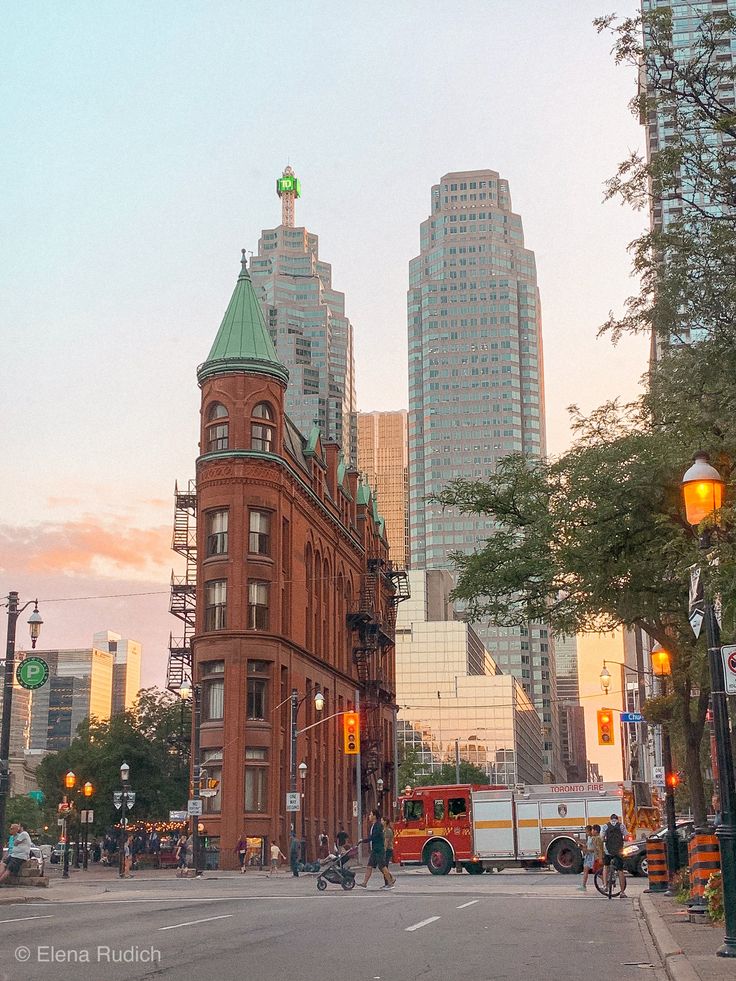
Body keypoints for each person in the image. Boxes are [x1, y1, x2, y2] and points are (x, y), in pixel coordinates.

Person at [358, 809, 395, 890]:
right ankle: (364, 883)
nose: (369, 816)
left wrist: (363, 840)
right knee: (369, 866)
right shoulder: (374, 825)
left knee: (382, 866)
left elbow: (374, 837)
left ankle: (390, 883)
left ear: (374, 816)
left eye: (371, 815)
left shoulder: (378, 825)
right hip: (374, 850)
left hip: (379, 849)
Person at [601, 813, 627, 897]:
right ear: (617, 819)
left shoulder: (605, 826)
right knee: (620, 870)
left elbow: (602, 837)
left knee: (606, 866)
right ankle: (622, 892)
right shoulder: (621, 826)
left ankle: (605, 885)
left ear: (610, 819)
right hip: (618, 851)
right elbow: (626, 837)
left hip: (608, 850)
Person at [577, 825, 594, 891]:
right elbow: (587, 846)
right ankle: (583, 885)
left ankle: (605, 882)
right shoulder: (589, 838)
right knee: (586, 870)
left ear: (591, 831)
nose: (587, 833)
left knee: (594, 871)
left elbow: (594, 848)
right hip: (588, 856)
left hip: (591, 856)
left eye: (587, 832)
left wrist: (587, 850)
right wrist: (582, 845)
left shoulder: (594, 838)